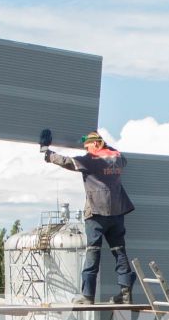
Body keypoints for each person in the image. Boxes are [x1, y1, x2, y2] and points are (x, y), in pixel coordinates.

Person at [40, 129, 135, 305]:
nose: (86, 150)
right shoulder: (118, 159)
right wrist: (103, 144)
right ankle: (126, 293)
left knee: (93, 252)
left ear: (97, 144)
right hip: (117, 213)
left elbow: (66, 161)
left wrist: (46, 152)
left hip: (97, 214)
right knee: (119, 251)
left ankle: (88, 295)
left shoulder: (91, 160)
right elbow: (121, 156)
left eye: (88, 146)